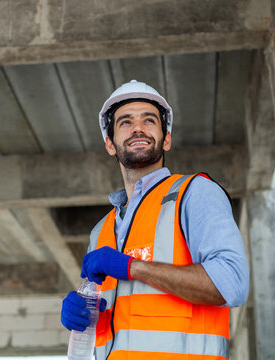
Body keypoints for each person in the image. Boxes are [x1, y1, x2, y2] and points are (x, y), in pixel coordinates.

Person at [61, 80, 249, 359]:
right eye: (125, 122)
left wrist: (133, 267)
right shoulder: (100, 231)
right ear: (110, 145)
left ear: (167, 139)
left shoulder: (193, 194)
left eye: (149, 120)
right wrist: (82, 314)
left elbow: (231, 284)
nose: (138, 128)